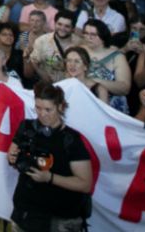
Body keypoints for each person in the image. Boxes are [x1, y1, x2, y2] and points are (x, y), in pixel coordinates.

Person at [6, 81, 93, 232]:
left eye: (48, 109)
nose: (42, 114)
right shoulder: (27, 127)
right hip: (25, 211)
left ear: (60, 107)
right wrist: (13, 158)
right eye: (38, 108)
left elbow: (85, 184)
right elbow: (12, 154)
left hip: (58, 218)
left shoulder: (71, 139)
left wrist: (50, 178)